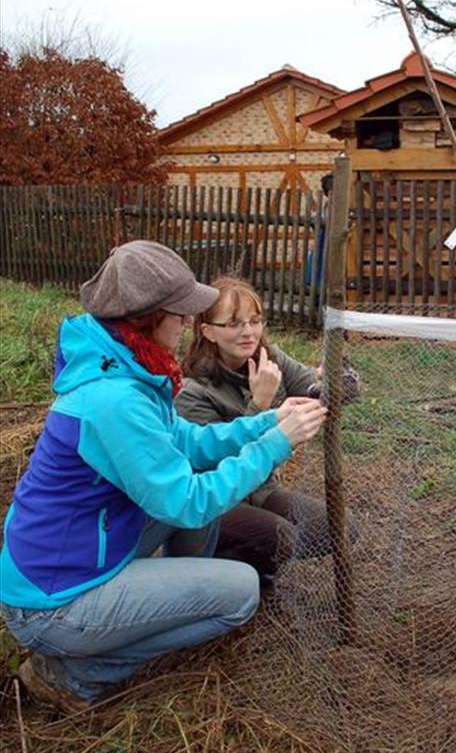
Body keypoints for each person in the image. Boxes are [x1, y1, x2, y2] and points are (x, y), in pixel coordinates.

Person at [0, 241, 327, 712]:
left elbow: (188, 443)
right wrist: (275, 444)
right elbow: (186, 502)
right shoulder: (115, 399)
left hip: (77, 555)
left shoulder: (127, 369)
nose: (188, 320)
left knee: (202, 520)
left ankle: (163, 603)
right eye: (180, 311)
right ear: (148, 317)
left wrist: (267, 422)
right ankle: (74, 676)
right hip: (52, 602)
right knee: (240, 593)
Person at [177, 275, 358, 584]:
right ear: (208, 331)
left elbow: (325, 390)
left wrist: (334, 379)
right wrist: (259, 403)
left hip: (260, 490)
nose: (248, 332)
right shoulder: (192, 389)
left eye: (255, 320)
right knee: (280, 536)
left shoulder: (269, 359)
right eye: (234, 323)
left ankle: (257, 560)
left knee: (340, 527)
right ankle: (213, 573)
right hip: (215, 502)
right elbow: (214, 460)